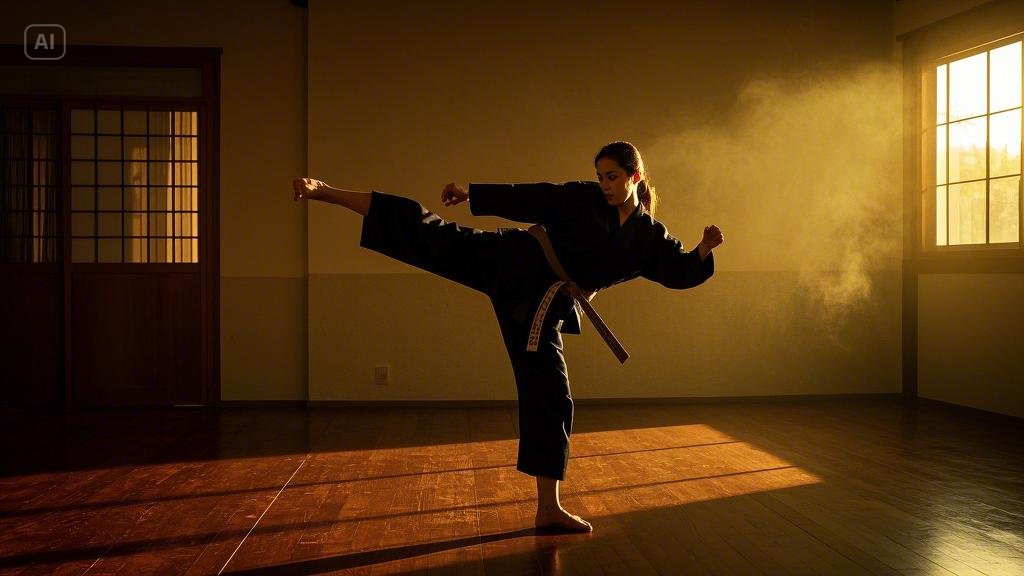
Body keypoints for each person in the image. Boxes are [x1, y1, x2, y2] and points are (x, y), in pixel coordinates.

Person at [293, 141, 723, 533]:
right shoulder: (582, 199)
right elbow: (533, 196)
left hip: (540, 309)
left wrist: (703, 249)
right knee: (430, 232)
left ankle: (548, 508)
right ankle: (327, 191)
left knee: (552, 396)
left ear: (635, 177)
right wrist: (472, 194)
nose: (605, 185)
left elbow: (679, 270)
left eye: (612, 176)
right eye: (600, 177)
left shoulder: (649, 238)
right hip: (511, 262)